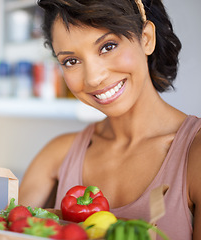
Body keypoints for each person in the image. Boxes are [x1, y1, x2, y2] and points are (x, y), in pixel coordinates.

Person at [18, 0, 201, 239]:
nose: (93, 78)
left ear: (146, 38)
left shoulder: (194, 154)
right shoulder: (56, 156)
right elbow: (6, 230)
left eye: (108, 46)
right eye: (71, 61)